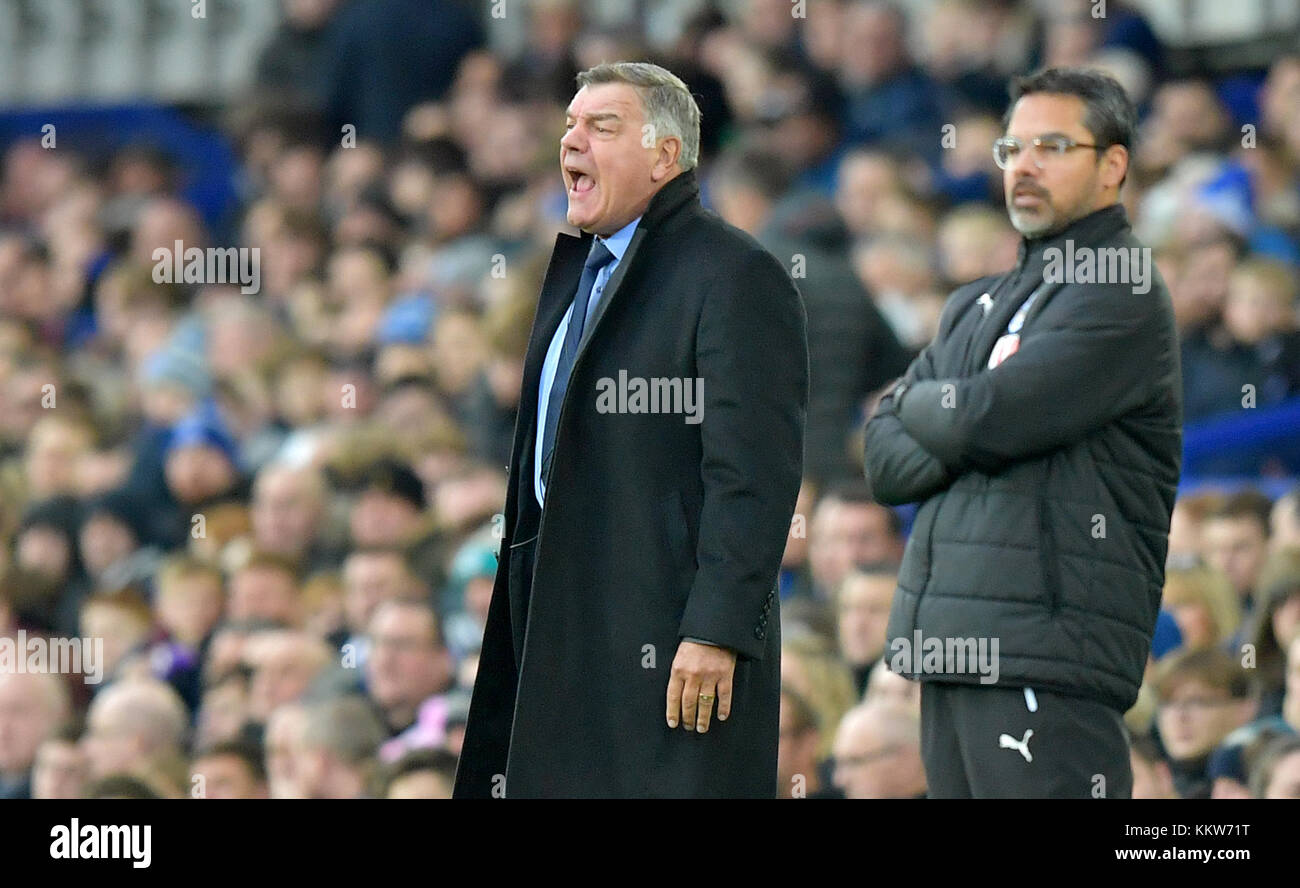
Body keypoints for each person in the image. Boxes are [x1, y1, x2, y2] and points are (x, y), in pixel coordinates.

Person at [455, 62, 808, 798]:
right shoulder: (579, 273)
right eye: (569, 125)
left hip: (666, 621)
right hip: (557, 606)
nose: (572, 142)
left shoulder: (734, 274)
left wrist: (716, 627)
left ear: (665, 155)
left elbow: (753, 475)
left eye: (601, 127)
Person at [863, 67, 1182, 798]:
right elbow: (883, 461)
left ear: (1113, 165)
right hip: (951, 646)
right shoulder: (976, 303)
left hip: (1043, 650)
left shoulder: (1119, 287)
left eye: (1052, 146)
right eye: (1011, 149)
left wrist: (930, 406)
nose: (1024, 167)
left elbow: (984, 420)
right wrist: (945, 413)